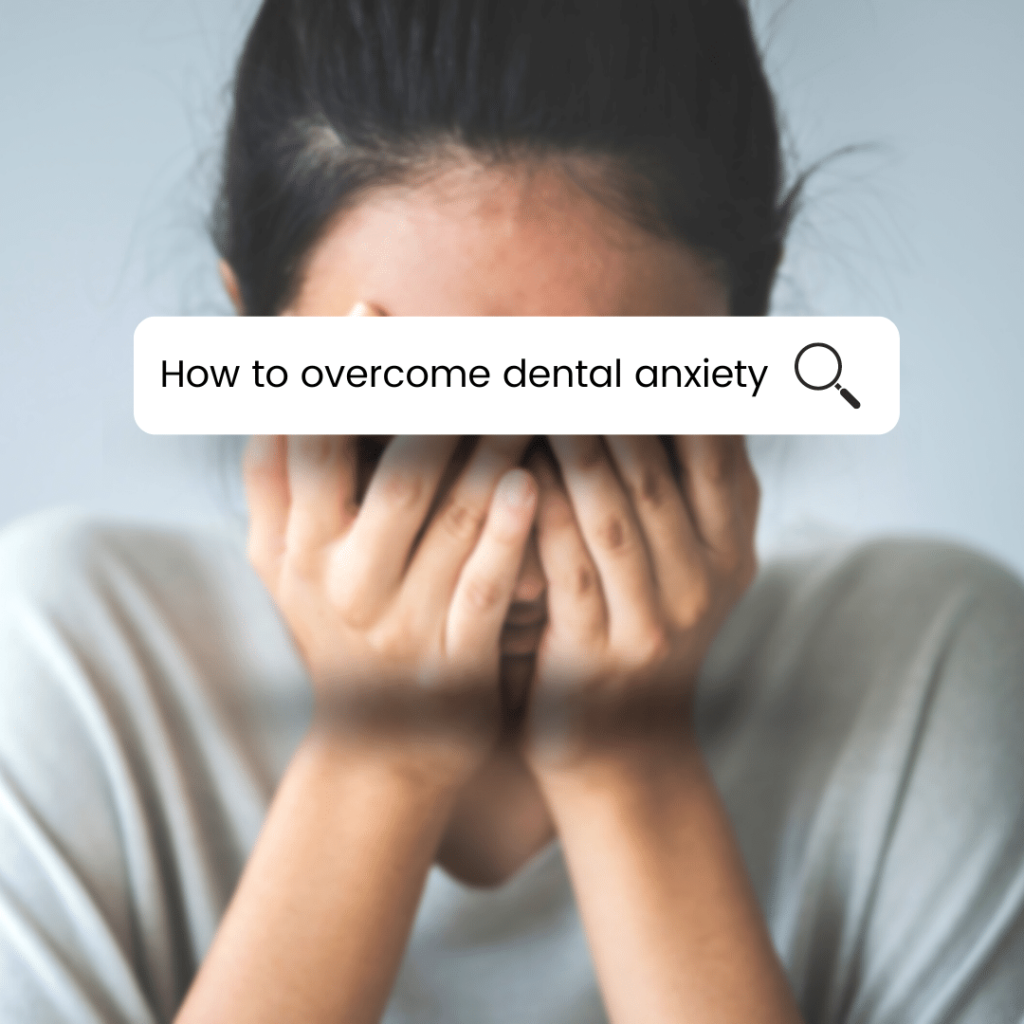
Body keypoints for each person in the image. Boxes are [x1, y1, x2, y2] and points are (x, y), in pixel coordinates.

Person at [2, 1, 1023, 1022]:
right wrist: (376, 762)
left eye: (609, 427)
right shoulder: (68, 673)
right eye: (408, 430)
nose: (516, 570)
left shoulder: (931, 678)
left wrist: (632, 771)